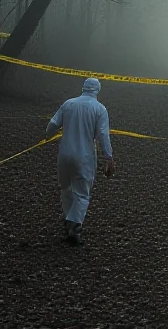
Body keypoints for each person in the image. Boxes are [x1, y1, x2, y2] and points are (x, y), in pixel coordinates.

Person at [46, 77, 114, 245]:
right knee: (83, 192)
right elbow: (103, 135)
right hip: (84, 157)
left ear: (83, 88)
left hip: (64, 154)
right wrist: (109, 157)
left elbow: (53, 124)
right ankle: (74, 226)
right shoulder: (99, 109)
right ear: (97, 90)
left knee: (66, 188)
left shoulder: (69, 103)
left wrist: (47, 137)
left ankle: (69, 220)